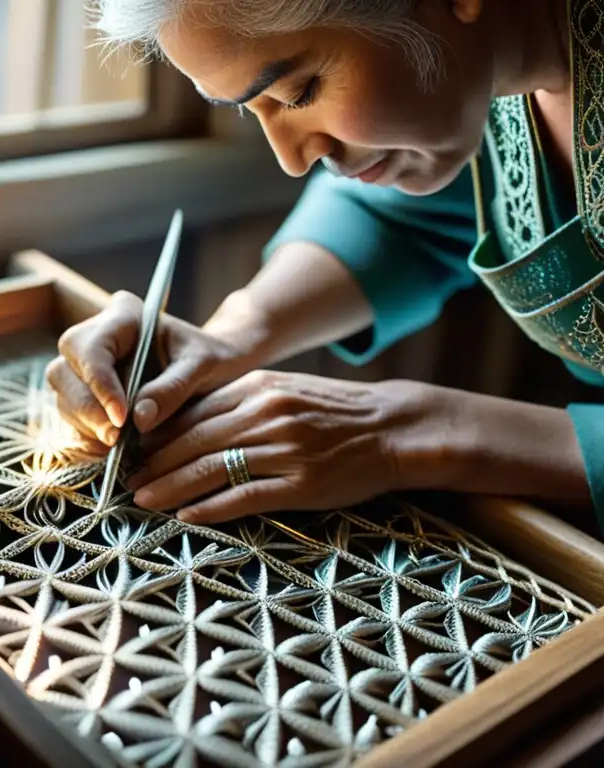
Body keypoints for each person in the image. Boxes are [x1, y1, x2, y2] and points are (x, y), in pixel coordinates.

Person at [45, 0, 604, 534]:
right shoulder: (490, 69)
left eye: (300, 90)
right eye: (249, 107)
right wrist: (234, 334)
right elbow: (415, 213)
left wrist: (409, 431)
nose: (292, 162)